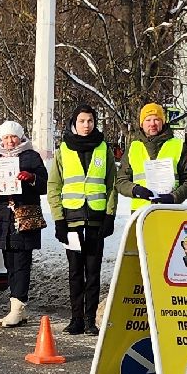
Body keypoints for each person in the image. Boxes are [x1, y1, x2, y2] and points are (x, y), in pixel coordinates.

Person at [48, 105, 117, 335]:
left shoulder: (103, 148)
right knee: (75, 271)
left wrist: (110, 215)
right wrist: (59, 220)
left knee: (93, 271)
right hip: (72, 222)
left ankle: (90, 320)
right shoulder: (63, 150)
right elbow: (53, 187)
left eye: (90, 120)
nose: (86, 125)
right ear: (73, 123)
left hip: (96, 221)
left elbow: (112, 186)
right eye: (81, 121)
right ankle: (76, 318)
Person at [0, 119, 48, 326]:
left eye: (13, 137)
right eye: (6, 137)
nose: (9, 141)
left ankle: (18, 306)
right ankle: (17, 307)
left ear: (21, 137)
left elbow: (44, 184)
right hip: (3, 218)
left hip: (23, 217)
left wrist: (31, 178)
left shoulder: (31, 156)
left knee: (21, 263)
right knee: (9, 262)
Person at [114, 101, 187, 212]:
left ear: (163, 122)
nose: (152, 124)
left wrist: (174, 197)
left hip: (170, 211)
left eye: (156, 119)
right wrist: (135, 190)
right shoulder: (133, 147)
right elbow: (120, 180)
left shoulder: (178, 145)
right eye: (148, 120)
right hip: (140, 213)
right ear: (142, 124)